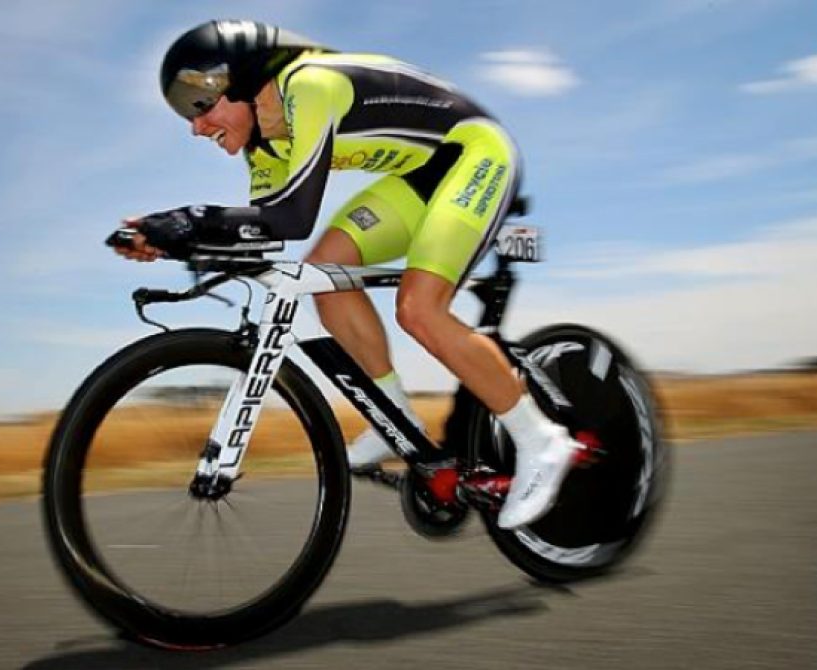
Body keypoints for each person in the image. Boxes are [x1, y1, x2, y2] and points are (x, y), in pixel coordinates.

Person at [116, 19, 583, 529]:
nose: (195, 126)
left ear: (245, 79)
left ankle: (542, 440)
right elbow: (264, 234)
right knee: (324, 273)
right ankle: (394, 415)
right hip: (416, 180)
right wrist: (167, 240)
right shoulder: (265, 146)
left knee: (418, 308)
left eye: (199, 104)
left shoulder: (311, 85)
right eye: (187, 113)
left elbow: (291, 217)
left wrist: (186, 222)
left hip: (475, 155)